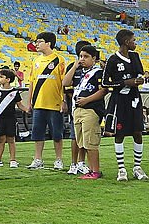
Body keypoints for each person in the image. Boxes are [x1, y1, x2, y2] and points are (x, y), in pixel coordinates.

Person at [103, 29, 146, 181]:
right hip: (119, 100)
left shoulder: (135, 56)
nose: (135, 43)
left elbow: (140, 74)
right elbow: (104, 82)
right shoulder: (112, 60)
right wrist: (124, 83)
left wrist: (141, 78)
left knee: (138, 132)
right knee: (120, 134)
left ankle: (137, 167)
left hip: (134, 99)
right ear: (126, 42)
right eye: (134, 40)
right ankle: (121, 169)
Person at [20, 31, 66, 170]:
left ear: (48, 43)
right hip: (38, 103)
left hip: (55, 103)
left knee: (57, 133)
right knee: (37, 132)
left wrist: (63, 101)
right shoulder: (36, 61)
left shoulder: (59, 59)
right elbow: (32, 82)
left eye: (39, 42)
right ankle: (38, 159)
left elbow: (64, 82)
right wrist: (29, 102)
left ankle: (58, 159)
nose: (36, 44)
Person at [66, 46, 106, 180]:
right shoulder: (78, 72)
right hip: (77, 110)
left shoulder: (98, 72)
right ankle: (90, 169)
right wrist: (74, 67)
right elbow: (65, 83)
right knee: (81, 141)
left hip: (91, 109)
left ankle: (95, 171)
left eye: (86, 56)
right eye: (80, 56)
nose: (82, 59)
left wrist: (87, 100)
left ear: (94, 58)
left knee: (90, 141)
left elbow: (103, 91)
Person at [0, 68, 20, 168]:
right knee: (1, 139)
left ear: (8, 79)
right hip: (0, 119)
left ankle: (13, 160)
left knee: (11, 139)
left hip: (11, 119)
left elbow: (20, 105)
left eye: (2, 77)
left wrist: (28, 109)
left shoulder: (14, 92)